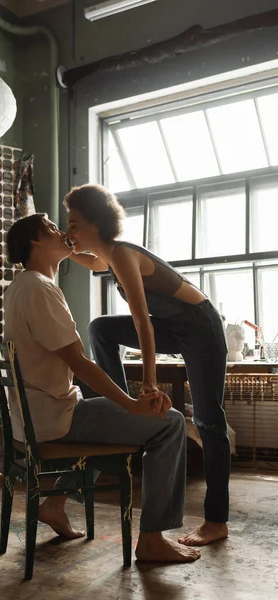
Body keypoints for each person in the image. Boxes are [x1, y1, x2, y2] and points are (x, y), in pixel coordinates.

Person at [4, 213, 200, 563]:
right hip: (52, 419)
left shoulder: (20, 286)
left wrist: (119, 403)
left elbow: (72, 364)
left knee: (99, 408)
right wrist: (130, 404)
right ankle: (152, 539)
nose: (63, 232)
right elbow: (81, 363)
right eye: (52, 228)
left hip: (33, 416)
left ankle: (54, 504)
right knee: (170, 424)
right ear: (35, 242)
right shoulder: (40, 288)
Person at [64, 184, 230, 547]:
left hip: (201, 327)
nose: (70, 231)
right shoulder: (106, 256)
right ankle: (118, 405)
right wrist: (62, 246)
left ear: (95, 222)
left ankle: (216, 521)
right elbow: (91, 261)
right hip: (175, 327)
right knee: (100, 328)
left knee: (209, 421)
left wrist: (150, 384)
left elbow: (142, 322)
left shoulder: (122, 255)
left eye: (74, 223)